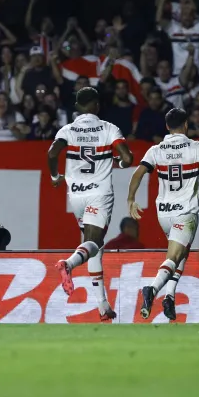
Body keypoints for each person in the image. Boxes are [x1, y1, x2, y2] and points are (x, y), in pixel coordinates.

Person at [47, 87, 134, 321]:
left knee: (92, 245)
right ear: (96, 105)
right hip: (99, 194)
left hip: (75, 196)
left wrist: (55, 176)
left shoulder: (68, 129)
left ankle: (103, 306)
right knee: (93, 242)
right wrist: (121, 163)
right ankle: (68, 264)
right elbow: (128, 158)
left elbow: (52, 153)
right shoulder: (108, 128)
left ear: (77, 107)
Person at [127, 108, 199, 321]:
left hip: (164, 215)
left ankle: (170, 296)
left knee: (182, 252)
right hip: (185, 212)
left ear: (167, 127)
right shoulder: (196, 147)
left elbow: (138, 173)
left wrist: (131, 199)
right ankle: (153, 288)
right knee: (175, 256)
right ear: (186, 125)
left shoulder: (156, 150)